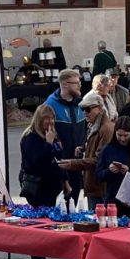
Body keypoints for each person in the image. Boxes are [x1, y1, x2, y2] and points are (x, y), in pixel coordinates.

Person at [62, 90, 114, 207]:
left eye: (88, 109)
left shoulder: (106, 129)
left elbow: (99, 160)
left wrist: (73, 163)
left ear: (100, 108)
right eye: (83, 110)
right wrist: (84, 148)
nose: (85, 113)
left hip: (99, 187)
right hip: (94, 186)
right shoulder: (94, 125)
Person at [44, 69, 87, 206]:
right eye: (76, 83)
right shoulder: (50, 105)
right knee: (61, 201)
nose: (80, 86)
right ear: (65, 85)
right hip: (61, 161)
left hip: (78, 159)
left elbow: (86, 128)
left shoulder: (81, 103)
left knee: (75, 196)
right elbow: (47, 133)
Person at [19, 106, 66, 210]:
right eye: (47, 118)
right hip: (38, 188)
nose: (51, 121)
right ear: (39, 120)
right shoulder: (30, 138)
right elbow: (38, 161)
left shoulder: (53, 135)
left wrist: (65, 180)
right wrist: (48, 144)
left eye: (52, 118)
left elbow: (59, 159)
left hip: (54, 186)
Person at [96, 117, 130, 216]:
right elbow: (98, 176)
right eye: (119, 135)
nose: (122, 139)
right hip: (112, 201)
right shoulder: (107, 150)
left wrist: (129, 172)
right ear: (115, 133)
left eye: (126, 135)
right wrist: (109, 170)